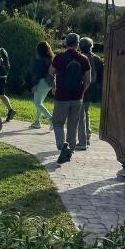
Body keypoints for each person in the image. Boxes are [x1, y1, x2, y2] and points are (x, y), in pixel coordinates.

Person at [49, 33, 91, 164]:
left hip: (61, 96)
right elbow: (88, 79)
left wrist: (55, 85)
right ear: (77, 44)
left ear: (66, 43)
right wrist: (82, 91)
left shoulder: (59, 57)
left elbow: (51, 72)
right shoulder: (84, 59)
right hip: (77, 97)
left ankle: (62, 146)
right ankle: (70, 151)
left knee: (57, 122)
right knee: (73, 125)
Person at [77, 37, 103, 149]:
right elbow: (101, 76)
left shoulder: (79, 58)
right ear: (91, 46)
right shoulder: (97, 59)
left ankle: (84, 138)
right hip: (92, 89)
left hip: (81, 88)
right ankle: (87, 134)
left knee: (81, 113)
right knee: (86, 111)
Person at [0, 36, 16, 122]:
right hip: (3, 76)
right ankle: (10, 110)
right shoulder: (3, 50)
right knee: (1, 94)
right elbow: (7, 63)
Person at [30, 40, 54, 129]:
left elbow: (38, 73)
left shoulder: (40, 60)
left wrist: (35, 84)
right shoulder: (51, 58)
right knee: (40, 102)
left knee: (37, 103)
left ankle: (51, 118)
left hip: (41, 82)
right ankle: (37, 122)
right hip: (49, 83)